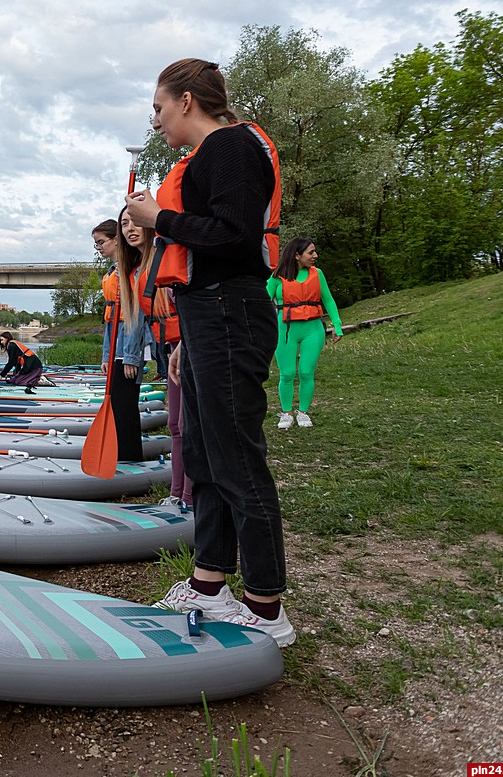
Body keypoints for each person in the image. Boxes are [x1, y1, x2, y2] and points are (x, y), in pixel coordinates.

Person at [123, 58, 295, 646]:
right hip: (203, 316)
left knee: (236, 455)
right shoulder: (206, 158)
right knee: (201, 451)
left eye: (159, 107)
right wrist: (181, 341)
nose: (157, 120)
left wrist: (162, 216)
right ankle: (208, 582)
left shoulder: (230, 148)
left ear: (188, 101)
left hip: (230, 310)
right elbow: (204, 240)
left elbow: (236, 237)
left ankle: (267, 605)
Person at [120, 208, 193, 507]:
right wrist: (133, 357)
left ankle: (191, 495)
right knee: (175, 425)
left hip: (188, 346)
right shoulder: (135, 271)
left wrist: (183, 345)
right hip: (168, 351)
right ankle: (177, 494)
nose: (130, 228)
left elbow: (190, 307)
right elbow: (138, 323)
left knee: (188, 426)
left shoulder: (166, 258)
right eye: (124, 223)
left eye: (136, 221)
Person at [267, 236, 344, 429]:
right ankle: (286, 413)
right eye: (311, 252)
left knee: (306, 372)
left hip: (313, 328)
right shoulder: (277, 277)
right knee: (287, 373)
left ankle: (303, 412)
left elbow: (329, 300)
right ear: (296, 255)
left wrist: (337, 325)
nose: (315, 255)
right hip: (286, 329)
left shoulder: (317, 274)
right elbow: (261, 301)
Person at [93, 217, 148, 462]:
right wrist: (107, 355)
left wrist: (131, 357)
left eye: (101, 242)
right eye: (96, 244)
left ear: (117, 240)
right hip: (115, 346)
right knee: (116, 405)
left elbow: (135, 315)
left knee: (125, 406)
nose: (99, 248)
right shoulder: (112, 272)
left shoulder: (131, 271)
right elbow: (110, 320)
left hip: (127, 348)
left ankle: (129, 457)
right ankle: (120, 453)